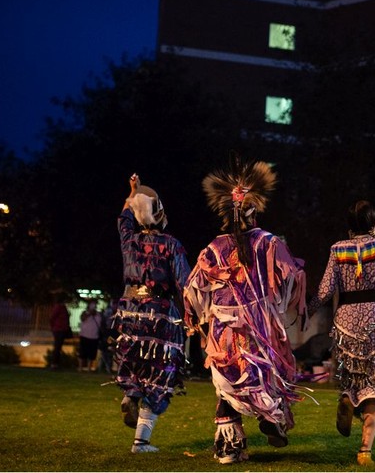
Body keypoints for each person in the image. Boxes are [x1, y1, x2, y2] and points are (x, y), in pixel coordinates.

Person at [183, 155, 306, 465]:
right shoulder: (269, 242)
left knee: (227, 386)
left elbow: (194, 288)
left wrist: (198, 317)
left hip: (222, 328)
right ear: (255, 211)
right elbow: (289, 276)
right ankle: (271, 418)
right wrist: (278, 302)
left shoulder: (213, 247)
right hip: (257, 326)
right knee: (263, 376)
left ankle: (229, 447)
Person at [307, 181, 375, 466]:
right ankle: (365, 450)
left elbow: (323, 291)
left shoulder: (337, 249)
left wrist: (306, 312)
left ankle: (347, 397)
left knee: (353, 377)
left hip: (346, 321)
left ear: (349, 226)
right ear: (374, 223)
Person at [114, 173, 191, 453]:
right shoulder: (171, 244)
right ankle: (140, 441)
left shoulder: (129, 241)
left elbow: (123, 219)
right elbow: (185, 284)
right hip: (160, 314)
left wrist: (131, 193)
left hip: (128, 311)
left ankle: (130, 393)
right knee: (160, 373)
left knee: (134, 364)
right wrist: (192, 317)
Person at [78, 299, 102, 372]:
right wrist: (89, 314)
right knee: (82, 352)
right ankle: (80, 367)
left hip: (94, 336)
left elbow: (100, 323)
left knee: (92, 354)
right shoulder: (85, 313)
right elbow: (82, 318)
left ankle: (89, 368)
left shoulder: (98, 314)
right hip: (84, 335)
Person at [49, 295, 71, 370]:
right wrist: (54, 327)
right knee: (57, 347)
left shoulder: (63, 307)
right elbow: (52, 318)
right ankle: (54, 364)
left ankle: (56, 364)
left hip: (61, 329)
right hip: (58, 329)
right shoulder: (59, 307)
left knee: (58, 347)